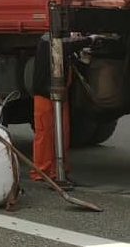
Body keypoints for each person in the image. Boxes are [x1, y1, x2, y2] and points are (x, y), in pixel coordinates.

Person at [30, 31, 94, 185]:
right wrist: (88, 40)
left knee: (63, 134)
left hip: (60, 95)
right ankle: (42, 172)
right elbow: (63, 45)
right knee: (45, 134)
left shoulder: (64, 44)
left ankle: (59, 171)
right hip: (45, 95)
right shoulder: (49, 39)